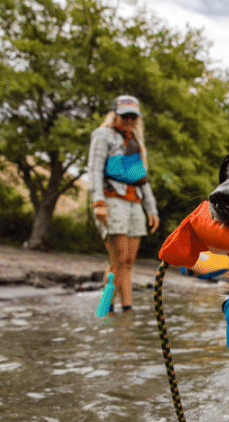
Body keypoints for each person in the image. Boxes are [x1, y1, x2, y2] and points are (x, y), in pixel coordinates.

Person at [88, 95, 160, 312]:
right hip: (112, 200)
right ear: (115, 114)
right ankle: (106, 307)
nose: (129, 119)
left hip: (134, 203)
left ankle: (127, 309)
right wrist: (98, 202)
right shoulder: (103, 135)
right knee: (117, 258)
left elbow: (142, 179)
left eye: (133, 116)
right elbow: (95, 168)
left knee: (128, 260)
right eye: (125, 115)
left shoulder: (134, 142)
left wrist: (151, 209)